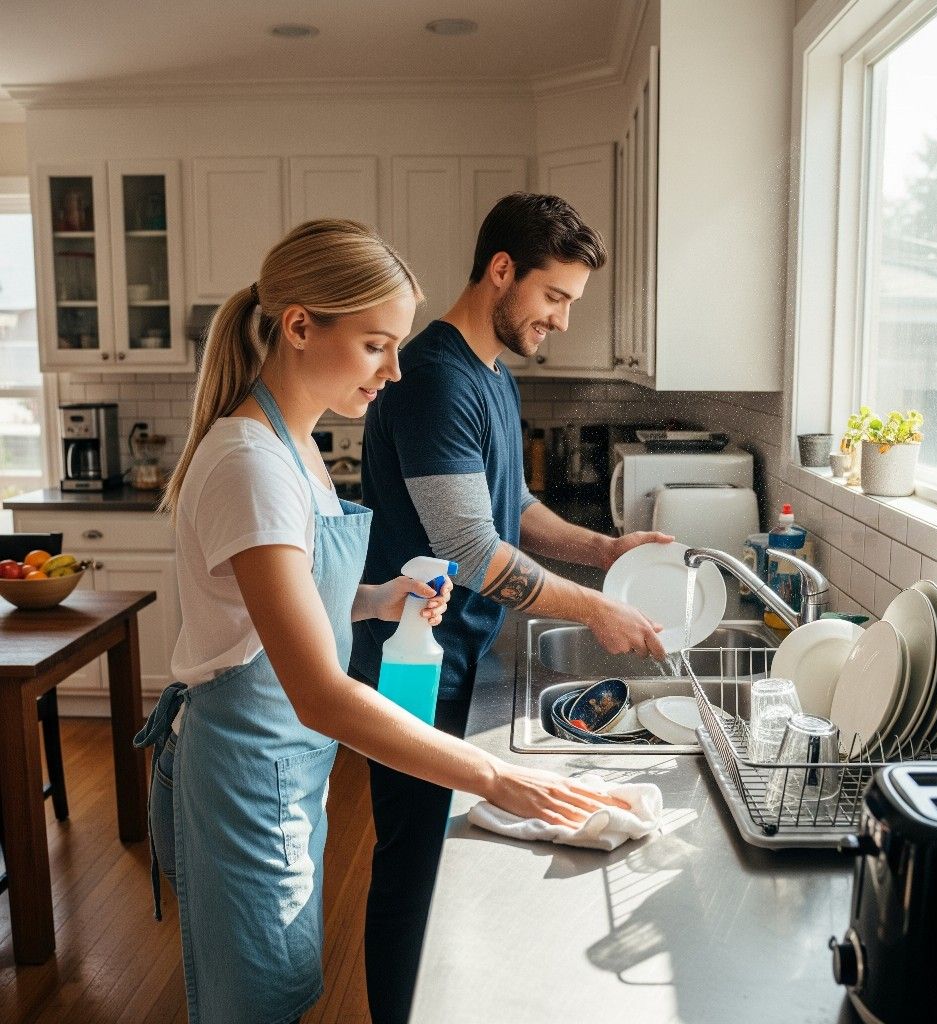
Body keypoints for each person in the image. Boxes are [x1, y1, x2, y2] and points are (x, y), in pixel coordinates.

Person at [133, 219, 627, 1024]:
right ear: (299, 326)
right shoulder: (251, 464)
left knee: (283, 991)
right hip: (246, 772)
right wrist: (499, 778)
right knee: (252, 1005)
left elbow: (268, 609)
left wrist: (375, 597)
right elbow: (319, 693)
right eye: (375, 346)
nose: (395, 370)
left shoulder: (292, 444)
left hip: (284, 769)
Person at [352, 193, 673, 1024]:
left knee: (442, 856)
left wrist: (606, 551)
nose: (563, 321)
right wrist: (598, 610)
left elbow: (513, 507)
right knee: (415, 857)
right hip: (414, 659)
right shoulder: (431, 379)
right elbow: (469, 550)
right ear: (502, 271)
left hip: (462, 647)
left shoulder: (489, 371)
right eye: (554, 297)